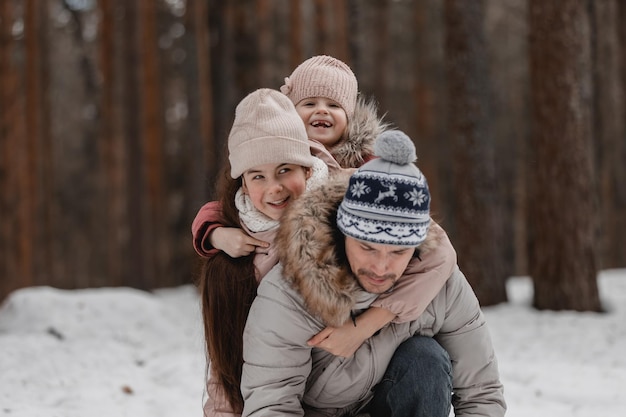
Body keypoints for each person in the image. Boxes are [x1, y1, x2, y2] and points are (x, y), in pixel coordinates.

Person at [197, 90, 457, 416]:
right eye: (258, 176)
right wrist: (215, 233)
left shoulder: (350, 198)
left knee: (425, 358)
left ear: (308, 168)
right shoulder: (233, 255)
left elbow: (440, 251)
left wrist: (368, 324)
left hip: (370, 386)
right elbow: (226, 365)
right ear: (243, 186)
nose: (275, 187)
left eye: (285, 169)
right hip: (296, 400)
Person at [240, 130, 507, 417]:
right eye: (367, 248)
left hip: (392, 401)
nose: (381, 268)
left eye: (397, 252)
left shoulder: (443, 286)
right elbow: (272, 405)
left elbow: (482, 393)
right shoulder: (289, 292)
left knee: (425, 360)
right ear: (343, 234)